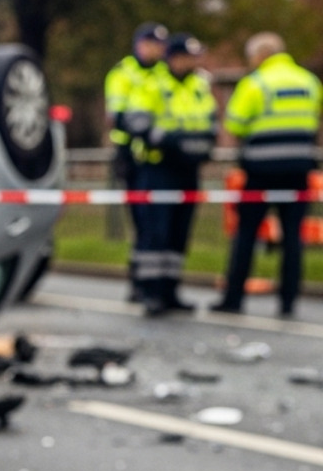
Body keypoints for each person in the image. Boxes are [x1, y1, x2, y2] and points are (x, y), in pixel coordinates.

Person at [213, 32, 323, 316]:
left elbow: (235, 124)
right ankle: (288, 301)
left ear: (260, 55)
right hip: (299, 170)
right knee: (293, 237)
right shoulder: (308, 81)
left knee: (246, 233)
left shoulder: (255, 83)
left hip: (260, 171)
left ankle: (234, 298)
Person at [123, 33, 217, 314]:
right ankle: (151, 292)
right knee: (156, 231)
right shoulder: (152, 84)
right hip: (158, 168)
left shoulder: (200, 85)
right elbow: (136, 123)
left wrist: (194, 144)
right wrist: (172, 141)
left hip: (188, 168)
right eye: (188, 57)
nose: (193, 62)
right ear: (174, 58)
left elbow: (211, 123)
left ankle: (171, 290)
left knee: (179, 231)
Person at [105, 22, 169, 301]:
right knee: (141, 221)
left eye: (160, 45)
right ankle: (138, 282)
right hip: (129, 154)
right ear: (139, 44)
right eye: (151, 44)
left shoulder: (164, 74)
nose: (156, 50)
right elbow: (118, 116)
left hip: (158, 156)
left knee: (158, 223)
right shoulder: (124, 73)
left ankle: (156, 284)